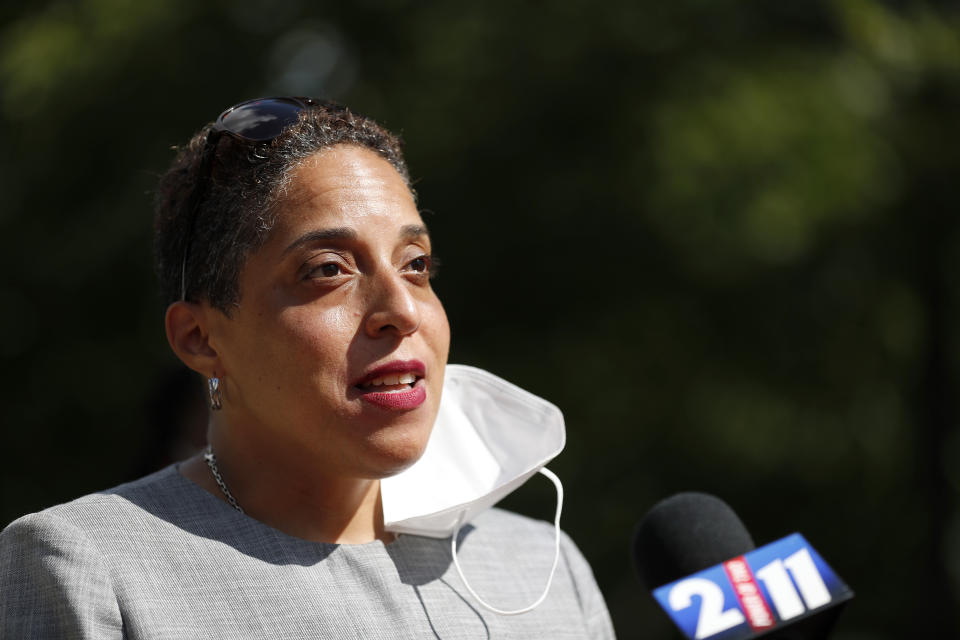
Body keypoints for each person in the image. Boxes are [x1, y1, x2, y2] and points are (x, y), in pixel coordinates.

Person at [0, 97, 616, 638]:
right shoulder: (93, 568)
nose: (401, 311)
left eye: (416, 265)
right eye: (328, 269)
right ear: (200, 338)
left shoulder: (542, 567)